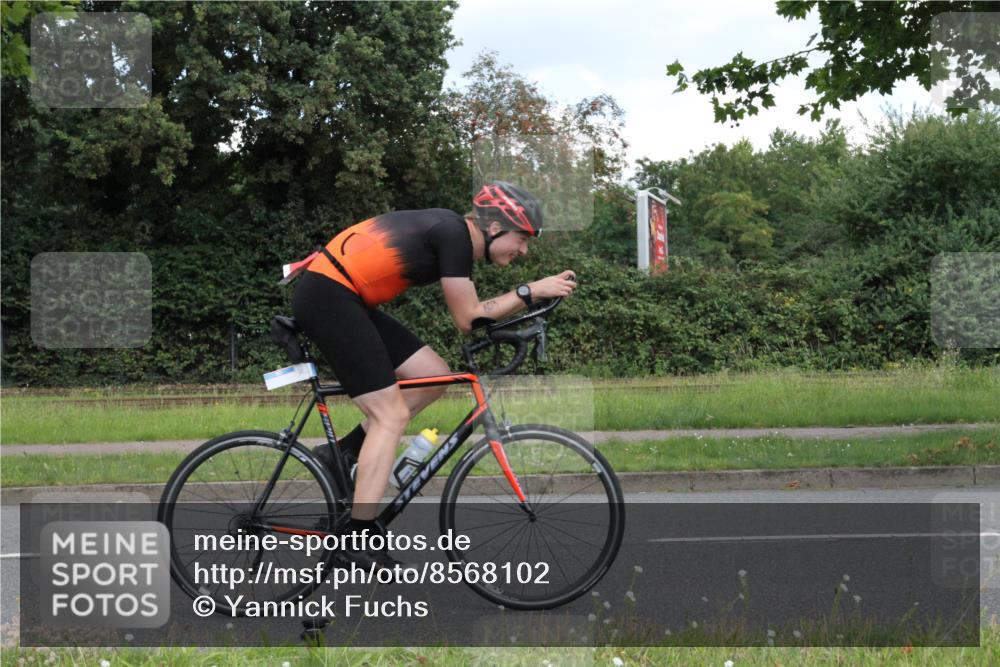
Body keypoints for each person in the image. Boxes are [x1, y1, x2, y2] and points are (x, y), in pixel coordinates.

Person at [290, 181, 577, 569]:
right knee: (389, 415)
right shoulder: (454, 235)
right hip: (329, 296)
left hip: (344, 295)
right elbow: (469, 318)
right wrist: (529, 291)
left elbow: (474, 313)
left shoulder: (453, 233)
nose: (524, 249)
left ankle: (340, 454)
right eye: (522, 237)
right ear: (494, 228)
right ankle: (357, 538)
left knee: (434, 374)